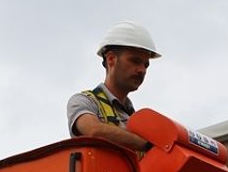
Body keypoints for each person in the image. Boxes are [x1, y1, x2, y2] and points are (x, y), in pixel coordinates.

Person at [67, 21, 160, 152]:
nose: (142, 70)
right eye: (135, 61)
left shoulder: (136, 120)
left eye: (146, 65)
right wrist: (148, 145)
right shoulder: (84, 101)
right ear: (111, 59)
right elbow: (93, 130)